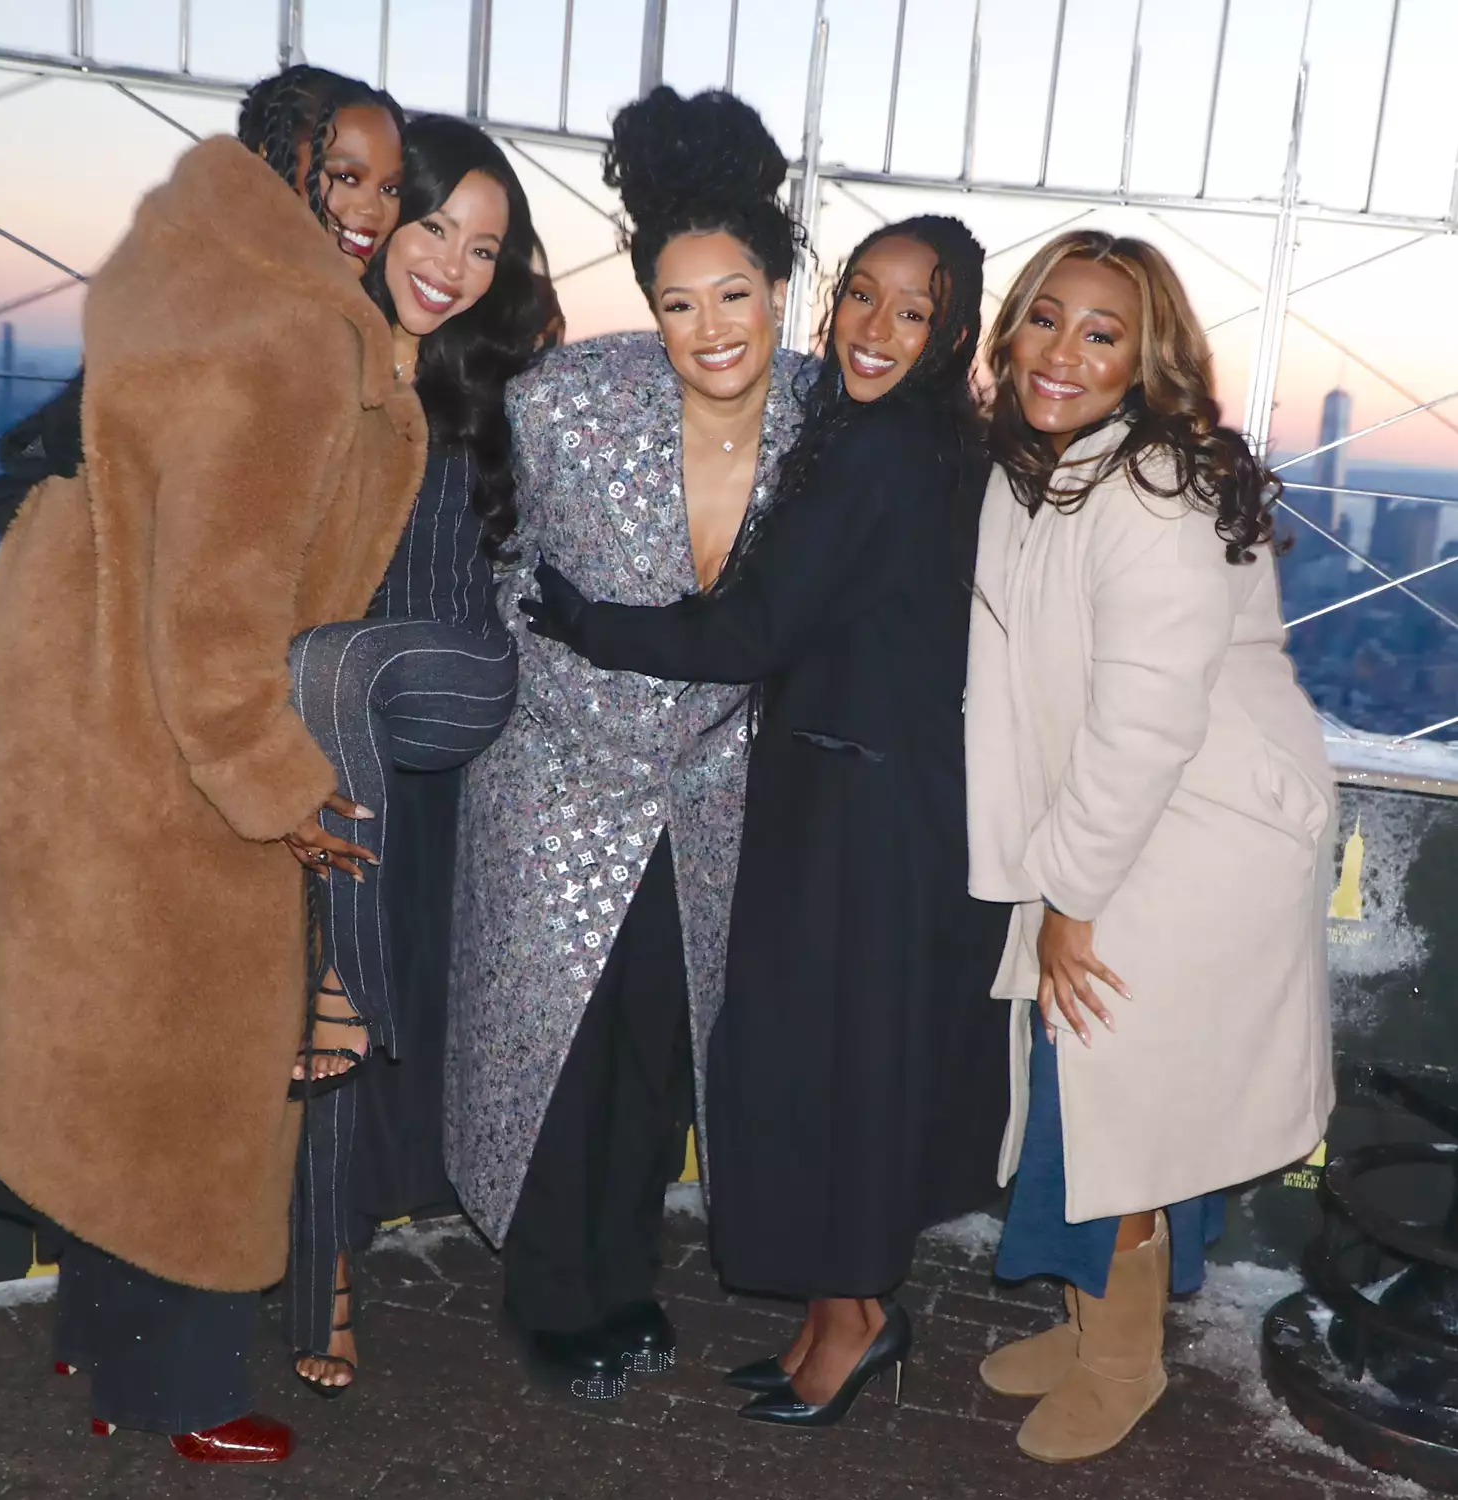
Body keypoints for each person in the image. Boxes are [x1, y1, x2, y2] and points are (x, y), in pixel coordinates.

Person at [0, 66, 422, 1464]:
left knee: (102, 1067)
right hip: (176, 769)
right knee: (184, 1095)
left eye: (389, 184)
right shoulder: (285, 334)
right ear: (283, 158)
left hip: (80, 726)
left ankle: (107, 1358)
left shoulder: (177, 270)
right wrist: (282, 787)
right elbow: (222, 608)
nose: (371, 208)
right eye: (344, 173)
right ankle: (175, 1395)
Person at [521, 215, 1012, 1429]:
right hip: (868, 794)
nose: (878, 329)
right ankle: (830, 1320)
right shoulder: (916, 439)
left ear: (953, 329)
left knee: (834, 1068)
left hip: (862, 816)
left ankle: (852, 1326)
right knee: (826, 1063)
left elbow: (747, 631)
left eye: (913, 309)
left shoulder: (884, 450)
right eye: (862, 297)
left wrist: (585, 621)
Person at [443, 86, 807, 1403]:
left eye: (733, 297)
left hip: (722, 791)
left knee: (662, 1050)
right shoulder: (565, 401)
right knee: (565, 1042)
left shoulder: (831, 427)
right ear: (645, 303)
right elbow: (499, 574)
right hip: (557, 778)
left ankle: (626, 1277)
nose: (706, 329)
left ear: (779, 287)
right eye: (675, 302)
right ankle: (554, 1297)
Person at [965, 230, 1335, 1464]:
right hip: (1132, 824)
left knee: (1117, 1104)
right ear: (1010, 329)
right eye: (1044, 319)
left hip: (1193, 834)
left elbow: (1145, 720)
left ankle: (1123, 1365)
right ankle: (1086, 1331)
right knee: (1096, 1095)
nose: (1062, 352)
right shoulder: (1050, 467)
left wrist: (1069, 895)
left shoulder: (1149, 485)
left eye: (1101, 332)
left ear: (1146, 359)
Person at [283, 113, 552, 1397]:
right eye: (436, 223)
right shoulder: (313, 359)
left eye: (486, 247)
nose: (452, 261)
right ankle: (324, 1294)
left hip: (453, 678)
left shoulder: (496, 377)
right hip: (343, 744)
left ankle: (355, 974)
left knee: (335, 661)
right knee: (306, 1006)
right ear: (387, 220)